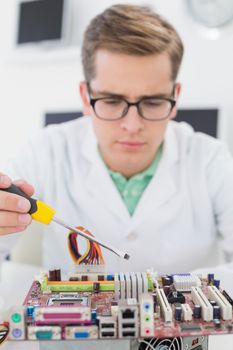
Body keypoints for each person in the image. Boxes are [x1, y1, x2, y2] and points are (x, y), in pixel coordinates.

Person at [1, 4, 233, 274]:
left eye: (154, 101)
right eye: (111, 100)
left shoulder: (210, 160)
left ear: (175, 96)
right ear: (86, 97)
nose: (132, 126)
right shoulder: (46, 151)